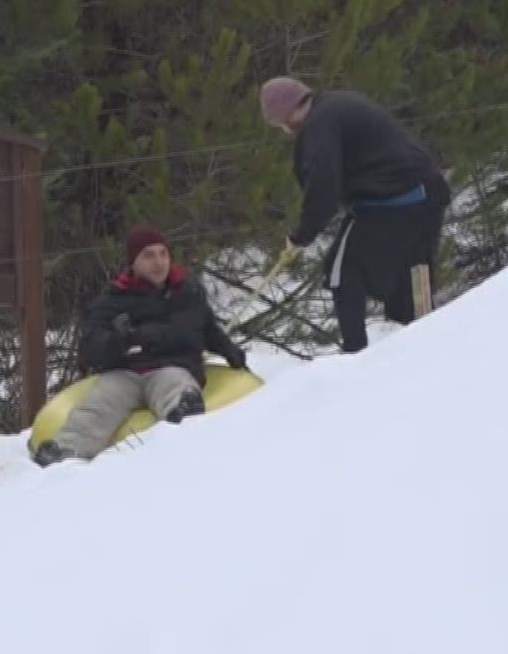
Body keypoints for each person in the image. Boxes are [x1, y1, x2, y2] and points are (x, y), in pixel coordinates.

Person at [259, 76, 451, 353]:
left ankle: (355, 354)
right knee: (413, 276)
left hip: (391, 199)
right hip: (427, 193)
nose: (285, 131)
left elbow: (323, 187)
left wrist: (302, 236)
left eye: (280, 125)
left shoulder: (318, 125)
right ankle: (422, 346)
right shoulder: (338, 104)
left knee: (341, 269)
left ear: (286, 116)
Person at [32, 224, 247, 467]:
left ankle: (182, 422)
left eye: (163, 254)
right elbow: (90, 348)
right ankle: (66, 450)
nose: (158, 262)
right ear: (133, 261)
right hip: (125, 372)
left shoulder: (188, 293)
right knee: (99, 405)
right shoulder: (112, 300)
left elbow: (207, 329)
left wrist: (229, 350)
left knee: (176, 386)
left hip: (172, 366)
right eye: (149, 256)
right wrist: (119, 340)